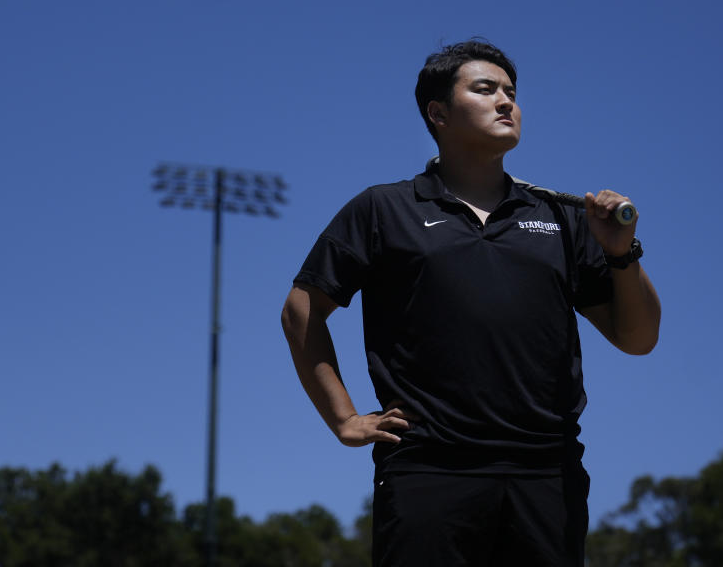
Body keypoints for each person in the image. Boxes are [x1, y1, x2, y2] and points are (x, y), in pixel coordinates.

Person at [281, 40, 661, 566]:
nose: (506, 102)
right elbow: (302, 308)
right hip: (428, 467)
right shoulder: (383, 209)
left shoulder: (564, 218)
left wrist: (623, 255)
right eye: (485, 89)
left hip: (546, 473)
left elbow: (637, 339)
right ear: (438, 113)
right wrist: (344, 418)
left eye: (511, 92)